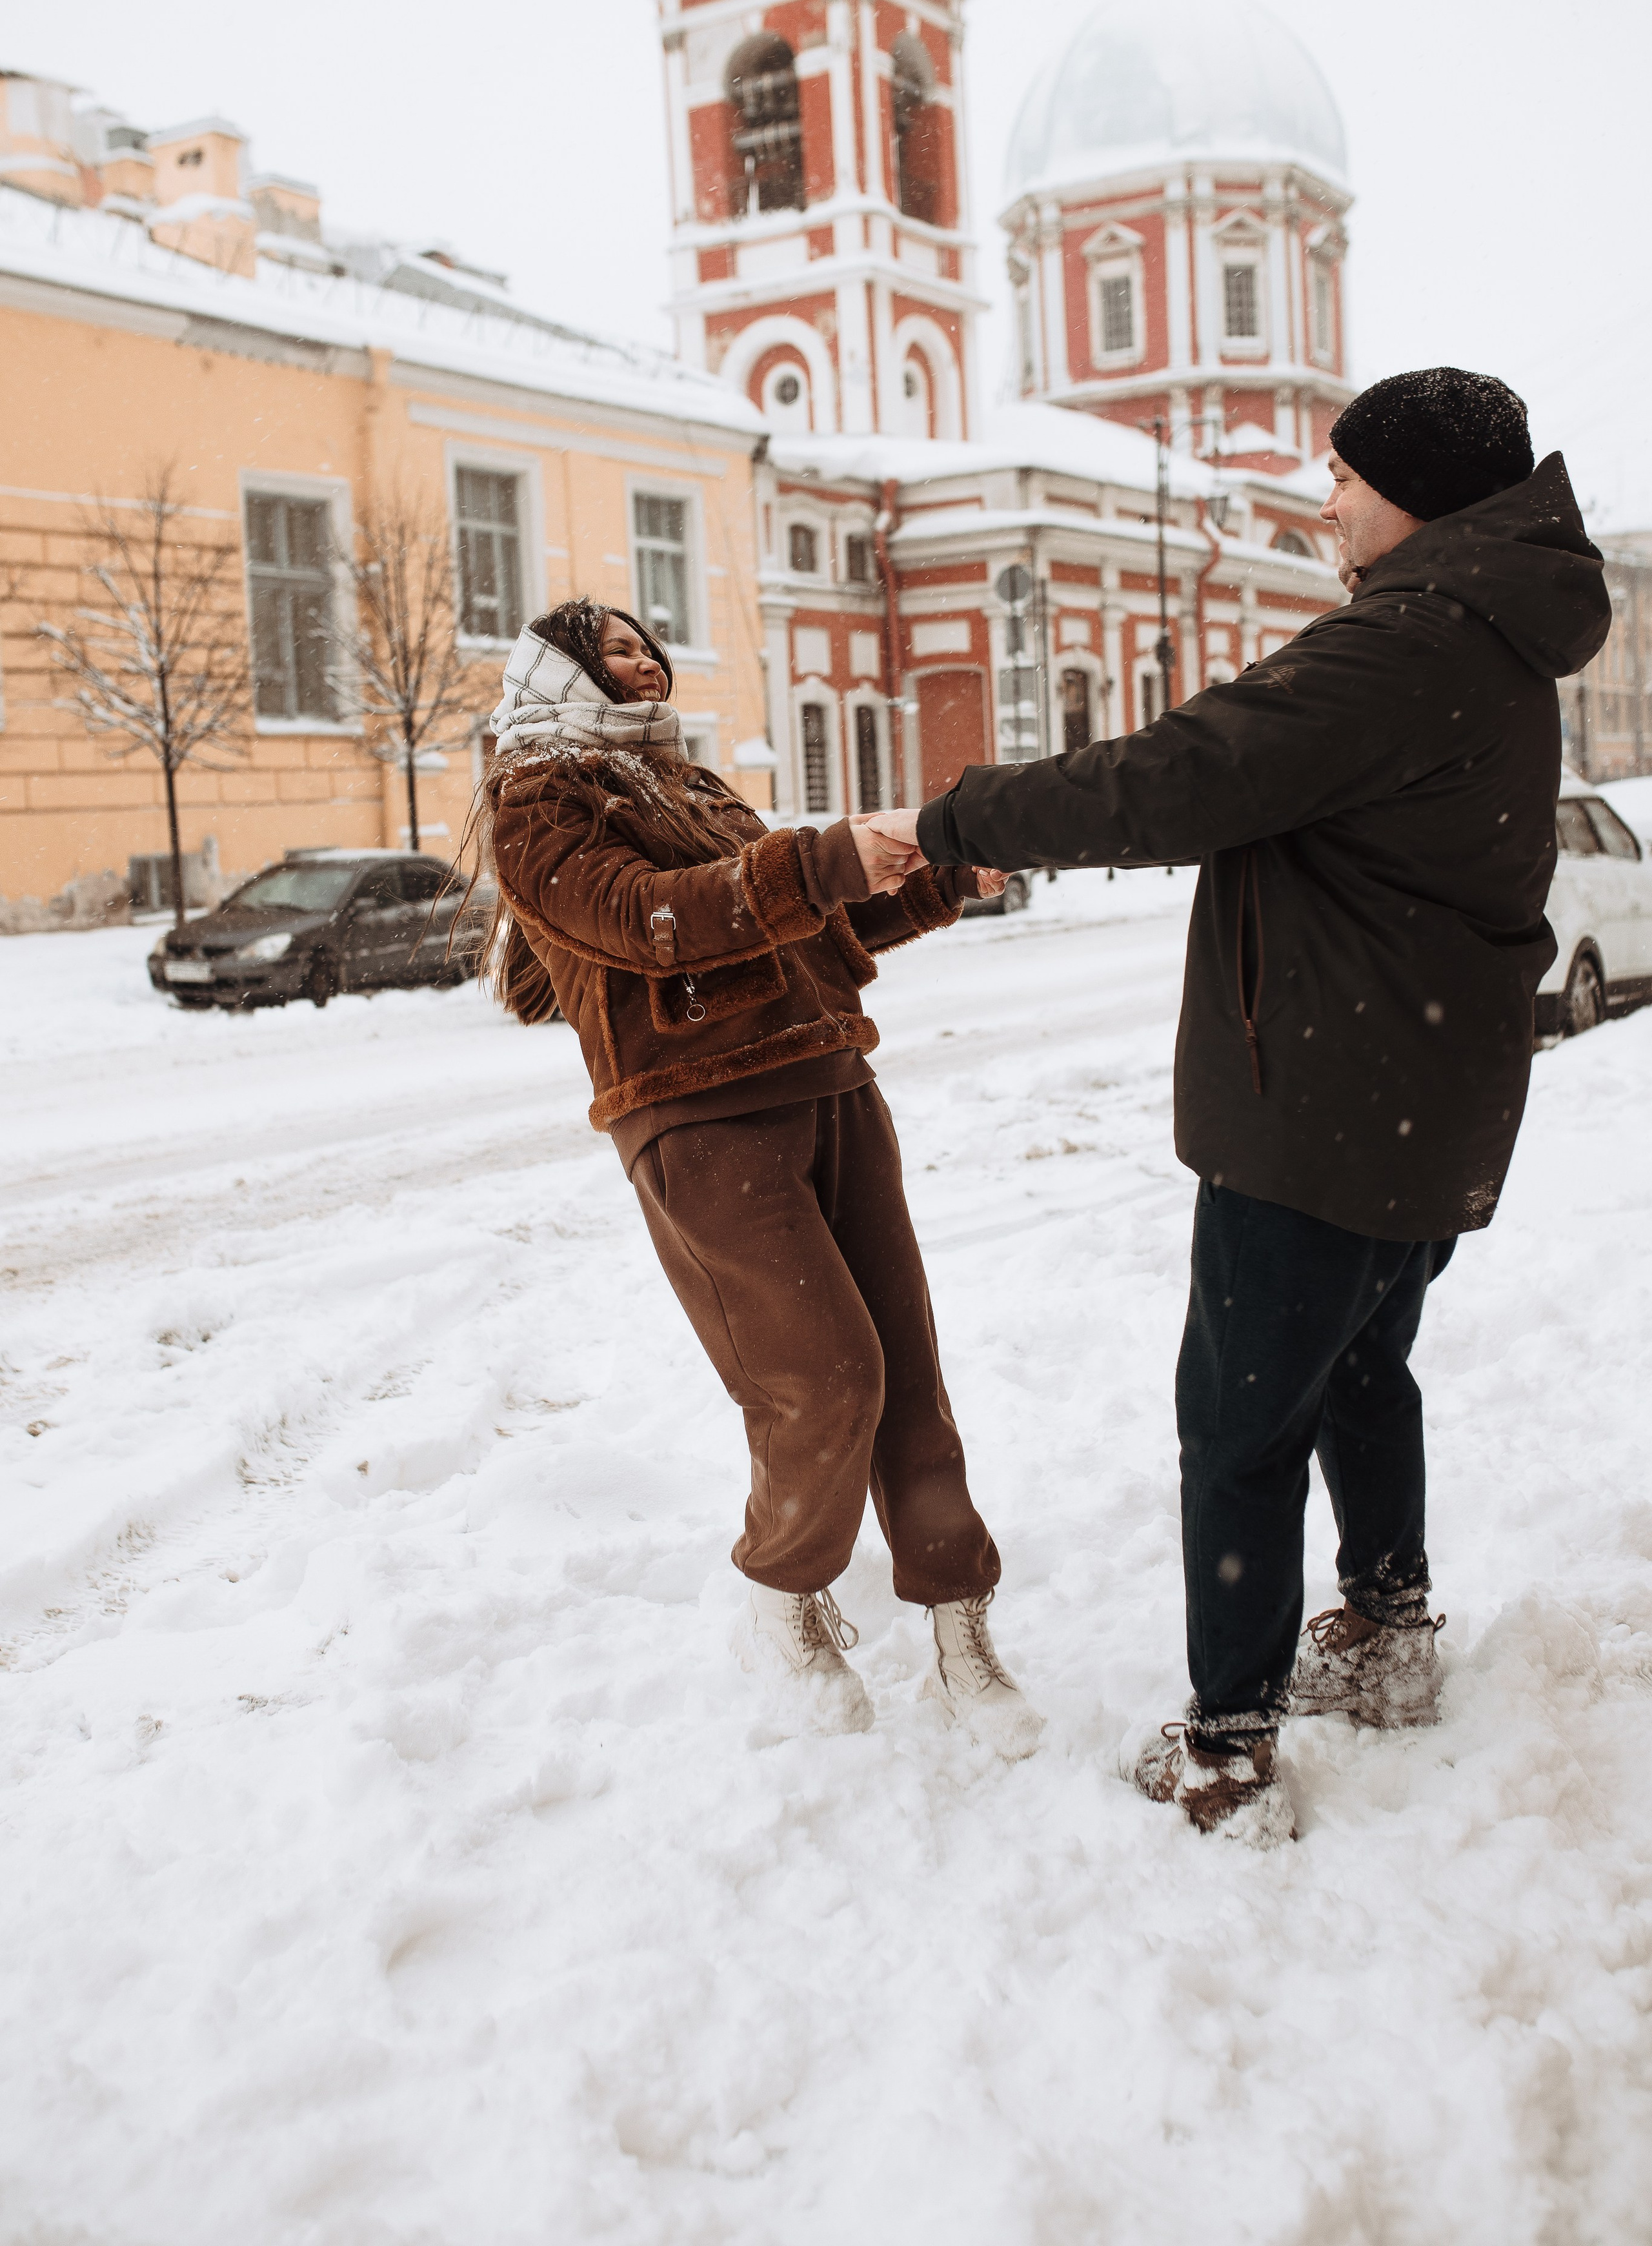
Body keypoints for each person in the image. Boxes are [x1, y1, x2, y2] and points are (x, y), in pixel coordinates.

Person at [869, 369, 1610, 1842]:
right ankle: (1388, 1628)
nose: (1318, 500)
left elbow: (1180, 774)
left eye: (1343, 476)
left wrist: (946, 821)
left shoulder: (1406, 639)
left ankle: (1225, 1744)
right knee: (1358, 1370)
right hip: (1416, 1099)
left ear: (1416, 495)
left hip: (1323, 1106)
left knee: (1240, 1421)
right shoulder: (1493, 634)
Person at [472, 598, 1043, 1759]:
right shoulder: (537, 800)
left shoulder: (686, 784)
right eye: (613, 651)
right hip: (699, 1119)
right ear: (558, 671)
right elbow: (650, 922)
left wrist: (934, 879)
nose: (643, 664)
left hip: (830, 1080)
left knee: (909, 1367)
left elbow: (801, 928)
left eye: (647, 647)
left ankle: (958, 1618)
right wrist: (822, 854)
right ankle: (785, 1603)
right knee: (825, 1378)